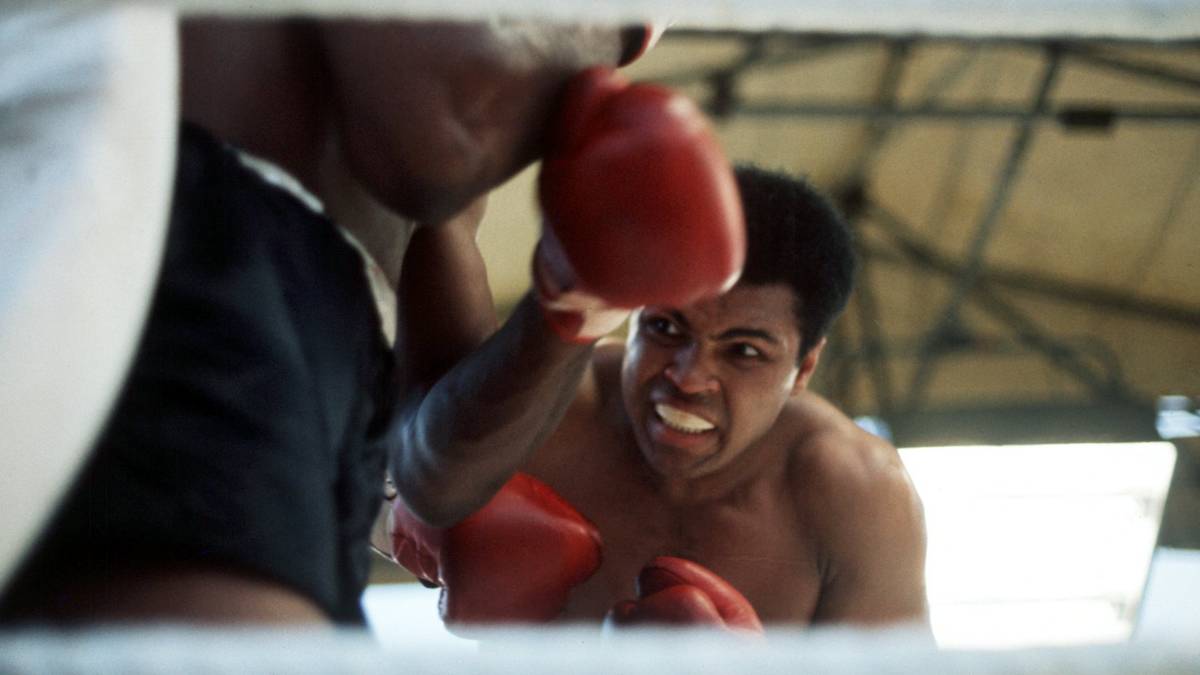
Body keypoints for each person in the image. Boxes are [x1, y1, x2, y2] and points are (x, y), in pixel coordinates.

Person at [0, 16, 747, 627]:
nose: (590, 76)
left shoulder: (397, 207)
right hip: (193, 208)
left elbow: (431, 473)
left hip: (318, 343)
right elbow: (443, 125)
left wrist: (572, 308)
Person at [387, 166, 930, 635]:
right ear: (632, 314)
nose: (689, 378)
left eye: (743, 351)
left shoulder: (854, 493)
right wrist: (394, 520)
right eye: (667, 326)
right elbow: (336, 471)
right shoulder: (538, 414)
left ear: (803, 368)